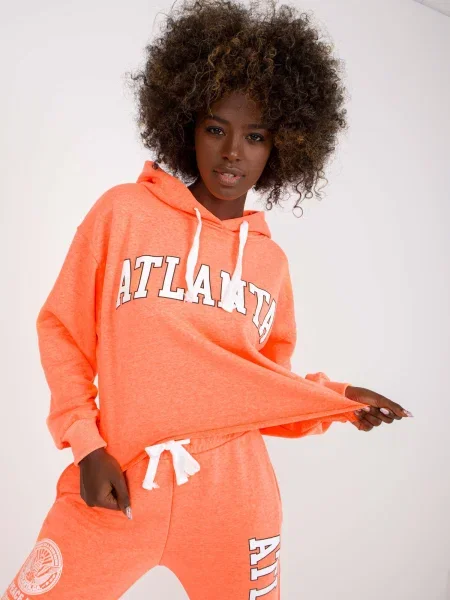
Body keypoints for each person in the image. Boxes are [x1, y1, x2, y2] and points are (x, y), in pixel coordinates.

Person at [2, 0, 413, 598]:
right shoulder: (124, 212)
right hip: (116, 482)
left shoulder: (270, 263)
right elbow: (62, 332)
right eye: (216, 129)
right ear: (186, 125)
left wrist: (338, 401)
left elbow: (260, 388)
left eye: (256, 136)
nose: (233, 152)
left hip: (235, 501)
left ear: (281, 147)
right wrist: (86, 447)